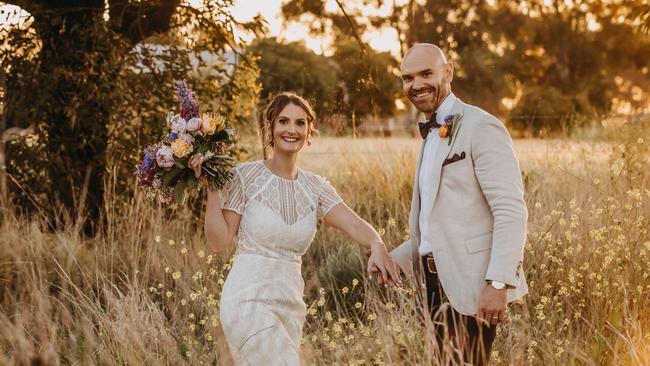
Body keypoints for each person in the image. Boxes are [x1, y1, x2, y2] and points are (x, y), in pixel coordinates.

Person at [189, 92, 402, 365]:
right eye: (284, 121)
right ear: (270, 127)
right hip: (247, 299)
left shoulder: (316, 188)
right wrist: (213, 191)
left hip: (290, 305)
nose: (292, 129)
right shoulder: (245, 177)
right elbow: (218, 242)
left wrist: (377, 244)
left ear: (309, 130)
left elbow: (353, 223)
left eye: (300, 123)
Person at [389, 43, 529, 365]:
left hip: (473, 285)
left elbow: (510, 209)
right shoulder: (431, 135)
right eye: (408, 78)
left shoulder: (481, 126)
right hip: (432, 285)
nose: (417, 84)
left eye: (426, 73)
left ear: (448, 71)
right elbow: (438, 223)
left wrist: (498, 283)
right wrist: (398, 259)